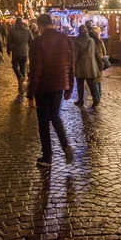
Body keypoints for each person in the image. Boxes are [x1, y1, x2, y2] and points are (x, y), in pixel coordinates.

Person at [27, 13, 75, 167]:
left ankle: (47, 156)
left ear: (40, 26)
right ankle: (65, 145)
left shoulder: (37, 42)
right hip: (60, 85)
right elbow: (70, 65)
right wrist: (69, 87)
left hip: (43, 86)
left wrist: (30, 94)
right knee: (55, 116)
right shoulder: (66, 39)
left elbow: (36, 70)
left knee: (43, 122)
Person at [73, 25, 101, 106]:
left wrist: (72, 66)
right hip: (91, 66)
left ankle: (80, 100)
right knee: (92, 84)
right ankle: (96, 100)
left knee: (80, 85)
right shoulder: (92, 40)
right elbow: (97, 53)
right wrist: (100, 63)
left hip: (80, 66)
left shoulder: (77, 41)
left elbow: (75, 56)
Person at [7, 17, 34, 94]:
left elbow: (9, 41)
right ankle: (20, 82)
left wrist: (8, 50)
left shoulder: (12, 31)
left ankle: (20, 77)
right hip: (25, 51)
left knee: (15, 66)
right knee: (22, 67)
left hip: (16, 51)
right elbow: (31, 41)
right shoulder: (27, 30)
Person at [90, 26, 106, 100]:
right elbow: (104, 52)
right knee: (98, 80)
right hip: (100, 63)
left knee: (94, 81)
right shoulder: (100, 42)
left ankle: (97, 97)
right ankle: (99, 94)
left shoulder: (92, 43)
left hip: (94, 63)